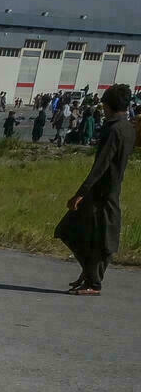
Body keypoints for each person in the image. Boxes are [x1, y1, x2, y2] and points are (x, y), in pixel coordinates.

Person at [57, 82, 131, 296]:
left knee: (79, 234)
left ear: (108, 105)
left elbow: (101, 166)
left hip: (100, 194)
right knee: (93, 236)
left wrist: (80, 193)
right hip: (110, 191)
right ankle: (89, 274)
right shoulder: (128, 127)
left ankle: (93, 282)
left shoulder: (114, 129)